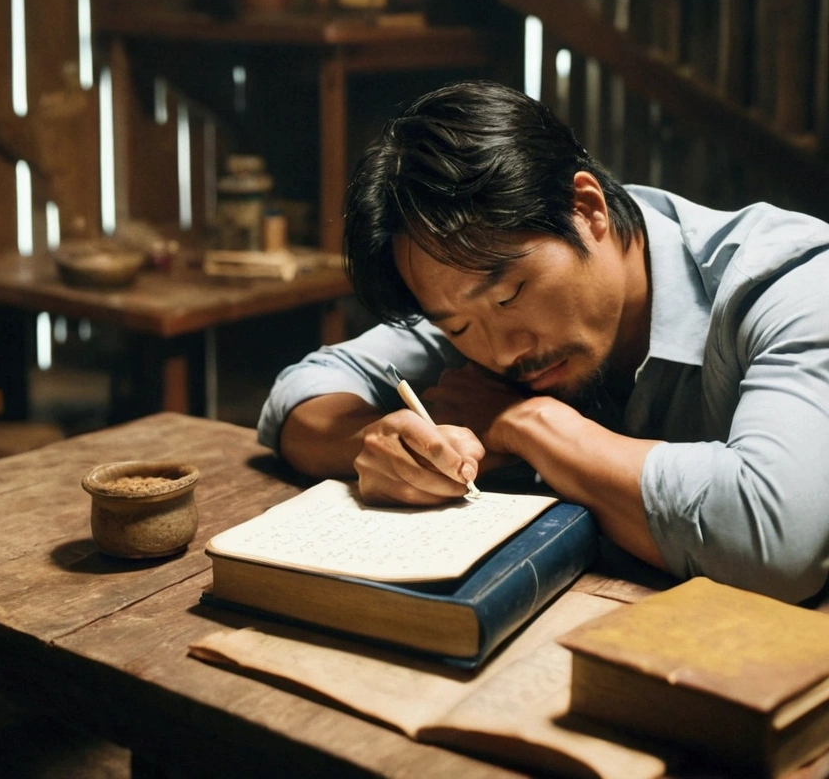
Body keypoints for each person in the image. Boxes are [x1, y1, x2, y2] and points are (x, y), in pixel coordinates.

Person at [257, 81, 829, 603]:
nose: (502, 352)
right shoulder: (476, 302)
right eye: (454, 328)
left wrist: (525, 422)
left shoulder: (791, 282)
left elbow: (775, 540)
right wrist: (381, 444)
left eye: (509, 297)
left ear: (587, 210)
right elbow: (301, 392)